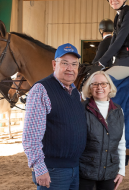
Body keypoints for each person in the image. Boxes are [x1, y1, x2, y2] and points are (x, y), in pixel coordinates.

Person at [22, 43, 87, 190]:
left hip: (74, 168)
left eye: (74, 64)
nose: (70, 68)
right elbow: (31, 136)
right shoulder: (41, 90)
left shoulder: (75, 92)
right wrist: (39, 168)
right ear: (54, 64)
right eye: (64, 63)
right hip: (52, 170)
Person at [80, 71, 126, 190]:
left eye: (103, 84)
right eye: (95, 84)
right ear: (89, 88)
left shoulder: (118, 111)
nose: (99, 87)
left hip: (110, 172)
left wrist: (121, 171)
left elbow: (121, 142)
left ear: (110, 87)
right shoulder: (82, 110)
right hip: (85, 171)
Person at [90, 0, 129, 80]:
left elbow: (119, 41)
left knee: (100, 81)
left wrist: (101, 62)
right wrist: (98, 62)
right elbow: (113, 42)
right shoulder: (118, 16)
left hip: (128, 61)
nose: (114, 0)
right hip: (119, 61)